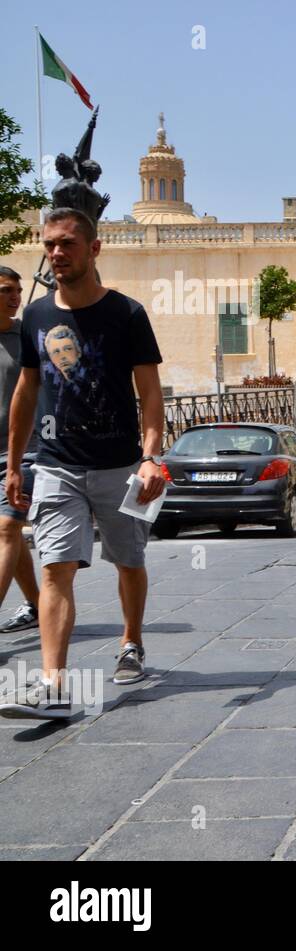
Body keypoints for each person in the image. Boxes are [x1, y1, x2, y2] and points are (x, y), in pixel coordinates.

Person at [0, 208, 166, 720]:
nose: (56, 253)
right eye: (49, 244)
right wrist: (12, 464)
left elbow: (150, 393)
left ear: (93, 249)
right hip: (55, 465)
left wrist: (151, 456)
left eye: (67, 243)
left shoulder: (127, 314)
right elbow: (27, 391)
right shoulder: (36, 316)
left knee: (129, 561)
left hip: (120, 467)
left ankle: (132, 641)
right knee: (56, 568)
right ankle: (53, 682)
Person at [0, 267, 40, 634]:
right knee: (9, 537)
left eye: (17, 290)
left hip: (21, 452)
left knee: (7, 528)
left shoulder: (27, 337)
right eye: (6, 290)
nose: (15, 297)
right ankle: (37, 605)